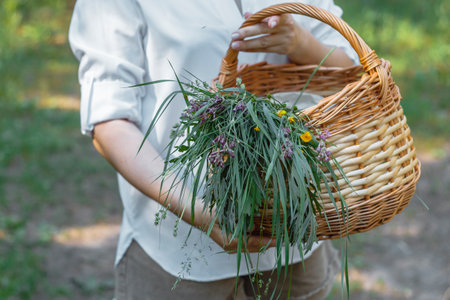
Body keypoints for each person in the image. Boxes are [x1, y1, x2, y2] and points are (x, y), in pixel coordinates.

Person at [69, 0, 358, 299]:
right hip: (180, 246)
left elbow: (353, 70)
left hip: (292, 230)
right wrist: (200, 213)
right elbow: (110, 120)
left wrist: (300, 42)